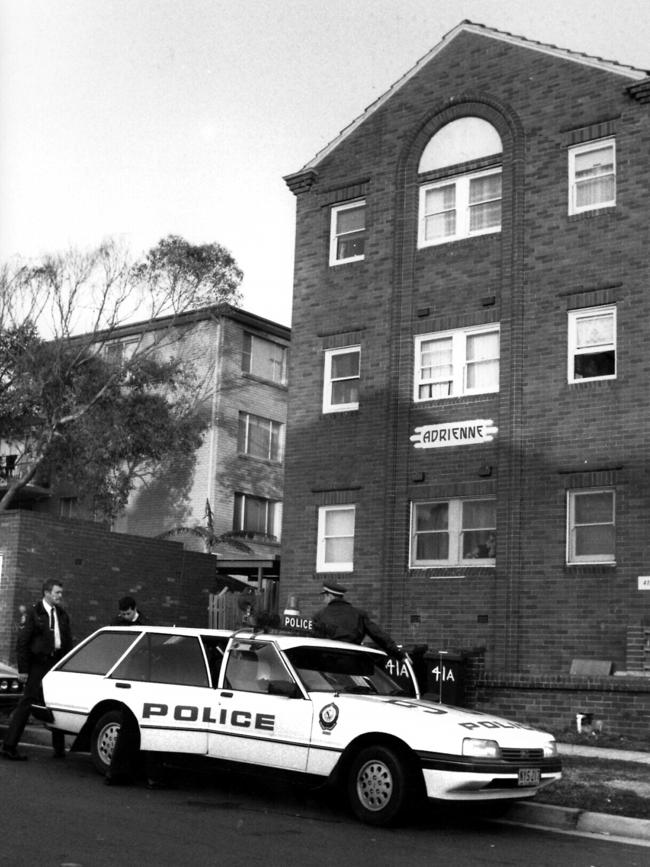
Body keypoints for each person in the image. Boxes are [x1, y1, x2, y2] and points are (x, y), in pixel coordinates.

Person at [2, 579, 72, 761]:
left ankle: (59, 749)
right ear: (47, 593)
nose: (60, 596)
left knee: (55, 703)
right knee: (27, 703)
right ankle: (9, 746)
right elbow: (22, 643)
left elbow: (67, 641)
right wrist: (23, 670)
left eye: (60, 593)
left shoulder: (62, 614)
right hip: (38, 663)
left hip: (56, 663)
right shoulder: (34, 613)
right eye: (57, 592)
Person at [312, 581, 405, 658]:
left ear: (330, 596)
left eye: (324, 596)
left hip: (327, 663)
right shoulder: (359, 614)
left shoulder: (319, 615)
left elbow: (313, 640)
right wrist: (399, 655)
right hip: (353, 661)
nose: (323, 600)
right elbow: (378, 635)